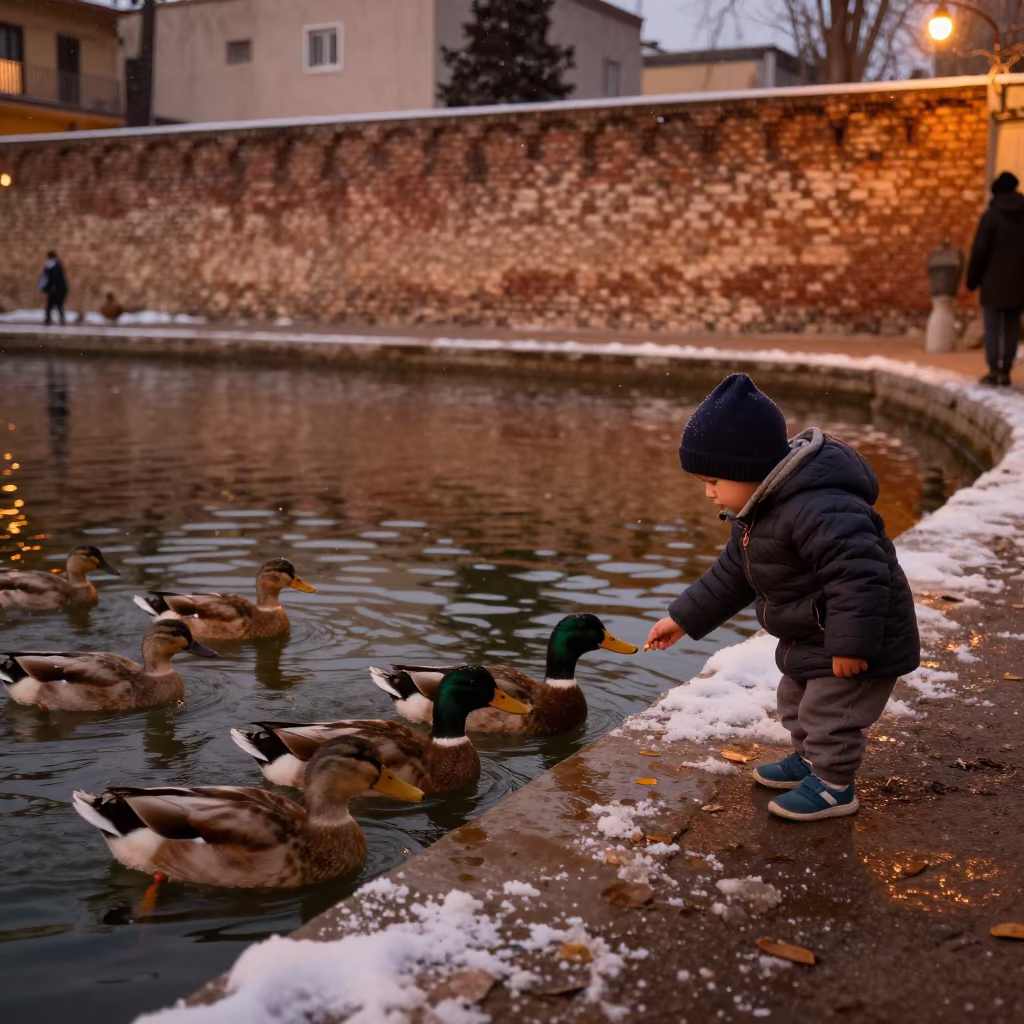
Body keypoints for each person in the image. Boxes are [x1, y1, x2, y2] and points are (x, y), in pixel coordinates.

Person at [646, 373, 920, 822]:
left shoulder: (821, 508)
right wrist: (683, 618)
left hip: (862, 637)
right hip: (813, 634)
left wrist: (852, 645)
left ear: (750, 468)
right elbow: (732, 575)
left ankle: (834, 785)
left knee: (831, 713)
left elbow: (860, 576)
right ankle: (810, 763)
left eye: (714, 479)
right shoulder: (758, 511)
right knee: (795, 700)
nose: (708, 492)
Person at [966, 171, 1024, 387]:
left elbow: (980, 250)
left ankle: (993, 369)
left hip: (993, 281)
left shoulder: (991, 216)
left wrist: (972, 279)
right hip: (1019, 282)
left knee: (992, 326)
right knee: (1011, 327)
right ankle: (1006, 369)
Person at [38, 251, 69, 326]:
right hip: (55, 289)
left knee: (56, 305)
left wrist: (46, 287)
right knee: (53, 305)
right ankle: (50, 319)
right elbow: (46, 277)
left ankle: (54, 319)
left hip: (57, 289)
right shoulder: (52, 266)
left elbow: (53, 278)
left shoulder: (55, 266)